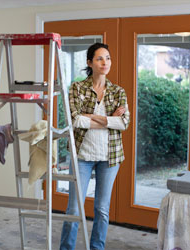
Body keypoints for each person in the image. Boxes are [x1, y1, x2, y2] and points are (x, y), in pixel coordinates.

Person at [60, 43, 130, 250]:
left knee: (101, 209)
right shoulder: (77, 88)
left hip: (109, 158)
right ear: (89, 62)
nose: (105, 62)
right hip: (82, 155)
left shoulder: (118, 91)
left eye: (107, 58)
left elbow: (124, 123)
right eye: (99, 58)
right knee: (73, 208)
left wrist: (90, 117)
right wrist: (109, 118)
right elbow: (75, 121)